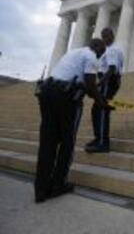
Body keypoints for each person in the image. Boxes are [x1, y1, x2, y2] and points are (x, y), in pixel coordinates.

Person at [34, 38, 108, 203]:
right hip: (65, 98)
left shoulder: (73, 53)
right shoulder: (91, 56)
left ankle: (40, 189)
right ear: (96, 47)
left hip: (47, 92)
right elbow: (90, 84)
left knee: (47, 142)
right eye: (102, 51)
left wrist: (91, 92)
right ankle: (58, 185)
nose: (102, 55)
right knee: (67, 142)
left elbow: (86, 85)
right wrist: (101, 102)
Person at [85, 28, 124, 153]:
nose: (105, 39)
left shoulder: (112, 49)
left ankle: (103, 142)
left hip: (108, 81)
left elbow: (112, 69)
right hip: (107, 81)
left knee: (101, 110)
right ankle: (98, 138)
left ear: (112, 36)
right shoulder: (109, 49)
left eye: (107, 36)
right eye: (103, 36)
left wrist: (99, 84)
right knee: (96, 110)